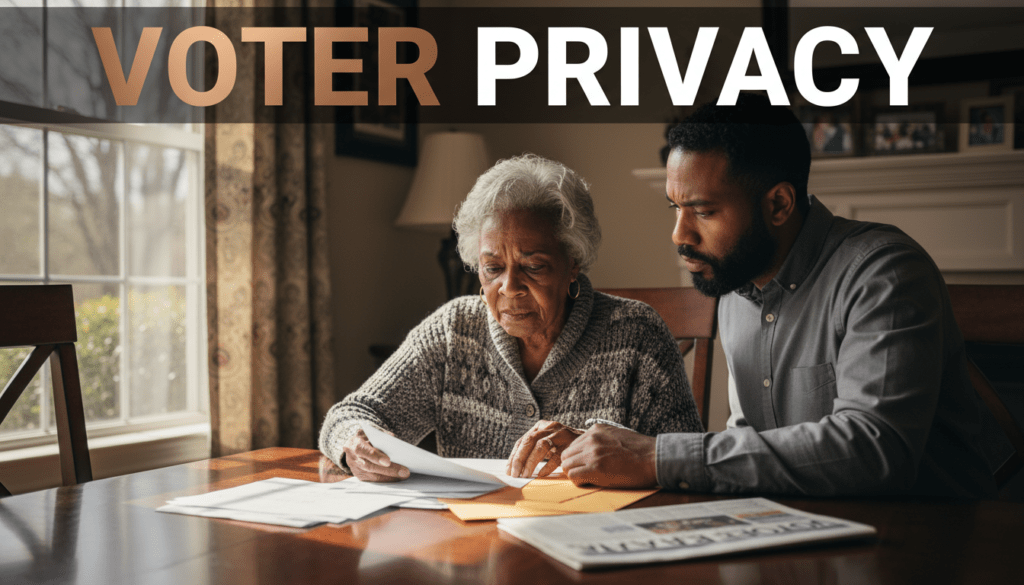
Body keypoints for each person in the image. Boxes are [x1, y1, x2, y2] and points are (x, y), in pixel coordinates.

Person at [550, 94, 998, 498]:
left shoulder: (884, 273)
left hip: (935, 541)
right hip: (804, 535)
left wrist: (657, 457)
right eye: (675, 208)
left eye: (703, 211)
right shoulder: (735, 287)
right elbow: (752, 438)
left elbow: (874, 449)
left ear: (779, 204)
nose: (679, 235)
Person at [319, 154, 703, 482]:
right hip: (473, 551)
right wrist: (353, 444)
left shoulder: (637, 334)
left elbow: (687, 458)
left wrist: (595, 445)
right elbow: (352, 414)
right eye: (492, 268)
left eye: (533, 266)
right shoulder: (454, 331)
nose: (509, 287)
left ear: (574, 263)